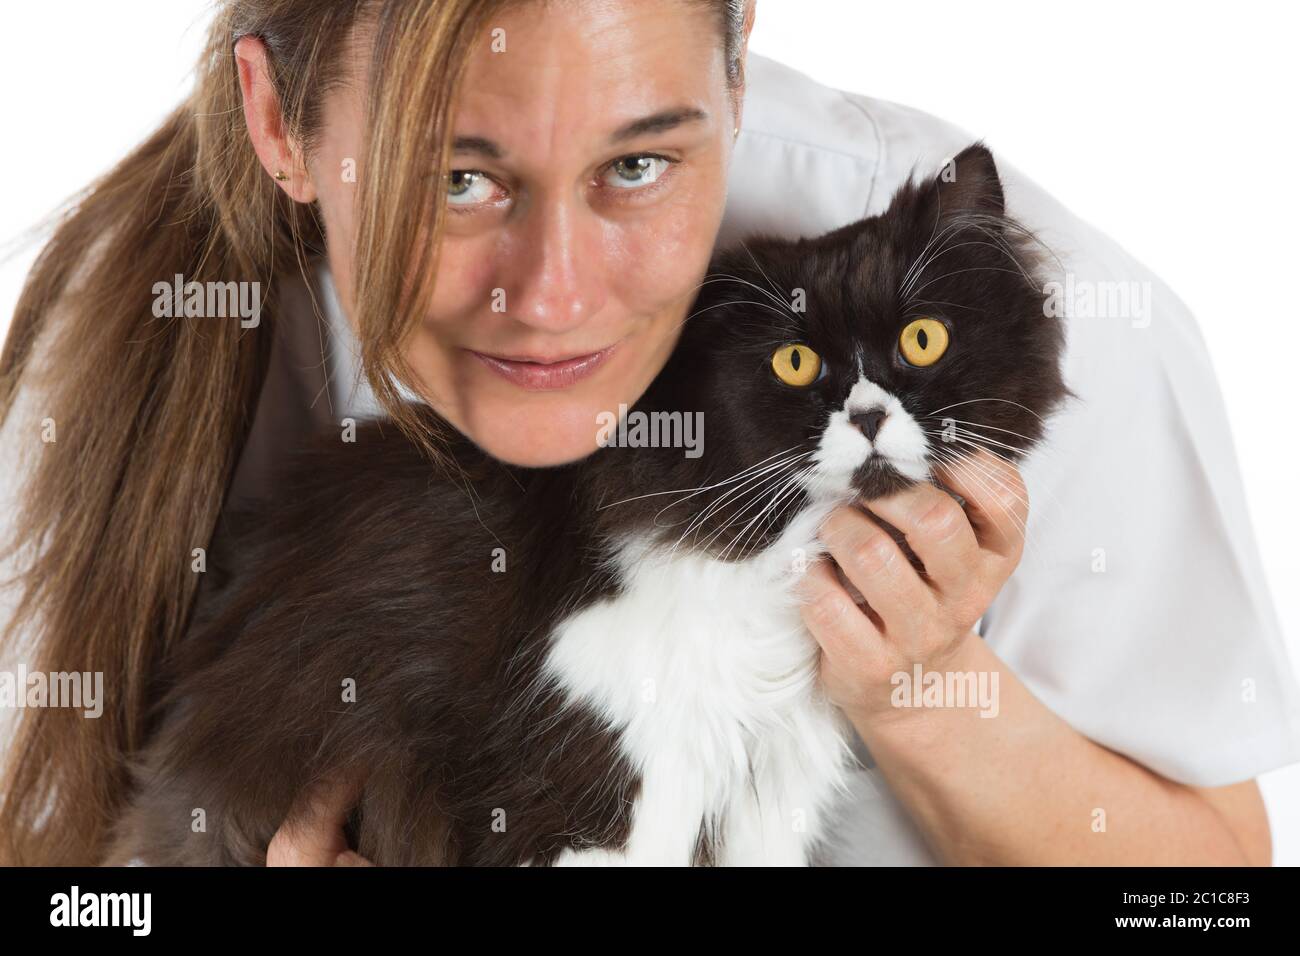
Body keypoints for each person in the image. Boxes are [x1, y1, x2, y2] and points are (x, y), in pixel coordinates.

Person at [1, 0, 1296, 867]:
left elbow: (1216, 888)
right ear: (282, 127)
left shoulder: (987, 300)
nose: (555, 297)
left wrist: (922, 691)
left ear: (735, 78)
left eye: (639, 167)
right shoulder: (129, 334)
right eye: (461, 181)